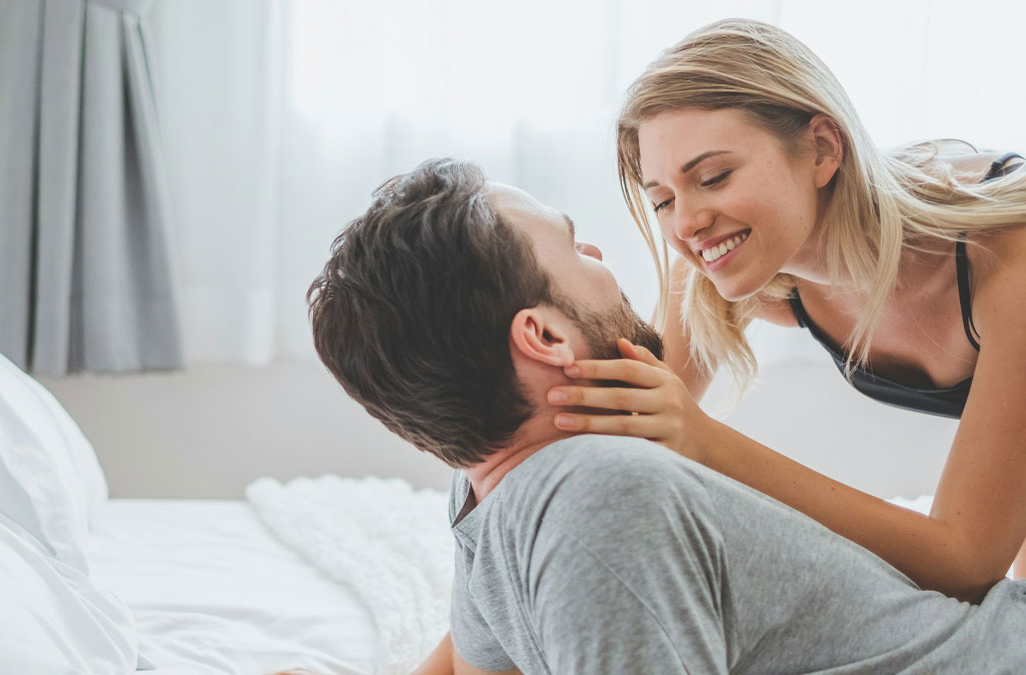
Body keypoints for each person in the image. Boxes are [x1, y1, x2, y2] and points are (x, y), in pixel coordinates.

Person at [306, 158, 1026, 674]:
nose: (603, 254)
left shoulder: (587, 487)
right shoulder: (500, 495)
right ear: (546, 337)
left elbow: (964, 559)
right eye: (574, 245)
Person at [548, 18, 1026, 607]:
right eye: (663, 200)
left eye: (714, 177)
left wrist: (706, 442)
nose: (686, 223)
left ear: (823, 149)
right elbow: (613, 441)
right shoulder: (721, 266)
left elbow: (966, 561)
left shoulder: (1008, 259)